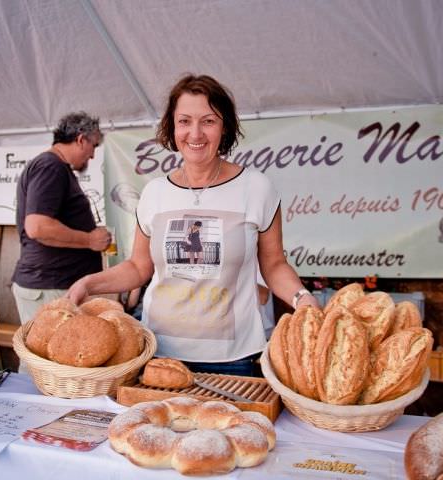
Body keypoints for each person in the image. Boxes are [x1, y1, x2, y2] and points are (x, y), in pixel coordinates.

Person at [67, 75, 319, 376]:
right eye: (184, 121)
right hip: (157, 354)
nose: (195, 133)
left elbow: (275, 265)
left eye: (208, 121)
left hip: (234, 360)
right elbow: (137, 267)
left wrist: (302, 298)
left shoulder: (256, 188)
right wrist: (89, 283)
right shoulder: (155, 193)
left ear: (224, 127)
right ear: (172, 128)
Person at [11, 111, 111, 326]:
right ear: (81, 139)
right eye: (93, 146)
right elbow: (38, 227)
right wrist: (90, 240)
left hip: (52, 285)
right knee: (44, 359)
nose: (92, 155)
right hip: (49, 286)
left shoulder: (55, 167)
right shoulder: (51, 166)